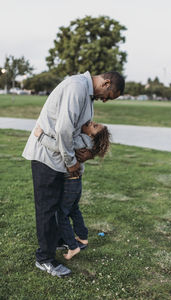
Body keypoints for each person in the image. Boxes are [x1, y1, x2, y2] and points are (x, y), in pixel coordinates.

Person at [22, 71, 125, 277]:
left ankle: (59, 241)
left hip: (60, 161)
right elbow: (63, 131)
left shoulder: (87, 95)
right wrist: (71, 163)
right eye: (108, 96)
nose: (104, 100)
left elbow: (81, 133)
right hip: (47, 158)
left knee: (59, 206)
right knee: (47, 210)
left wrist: (86, 156)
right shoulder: (76, 87)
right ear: (105, 83)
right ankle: (44, 259)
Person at [34, 120, 111, 260]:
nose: (91, 122)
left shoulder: (82, 140)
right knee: (74, 209)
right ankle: (82, 237)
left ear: (92, 136)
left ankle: (72, 246)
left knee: (61, 214)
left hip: (69, 183)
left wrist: (41, 136)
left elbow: (60, 146)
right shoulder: (88, 142)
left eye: (94, 126)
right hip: (76, 183)